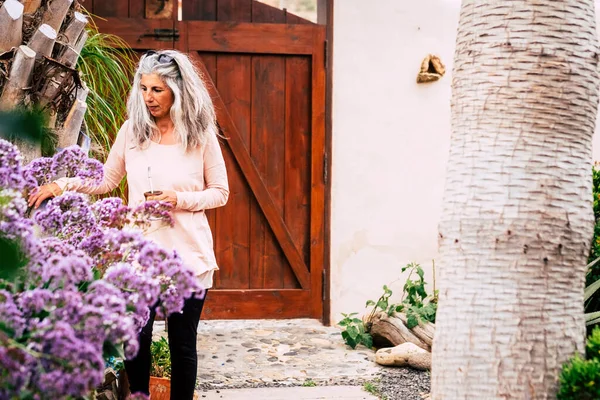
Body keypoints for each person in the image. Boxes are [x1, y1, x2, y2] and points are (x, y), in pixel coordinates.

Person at [28, 49, 229, 400]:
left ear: (178, 92)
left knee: (183, 345)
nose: (148, 98)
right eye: (144, 88)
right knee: (136, 342)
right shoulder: (132, 133)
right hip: (140, 257)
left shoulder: (200, 137)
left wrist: (178, 199)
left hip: (189, 258)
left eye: (157, 90)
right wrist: (62, 185)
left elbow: (220, 193)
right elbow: (105, 181)